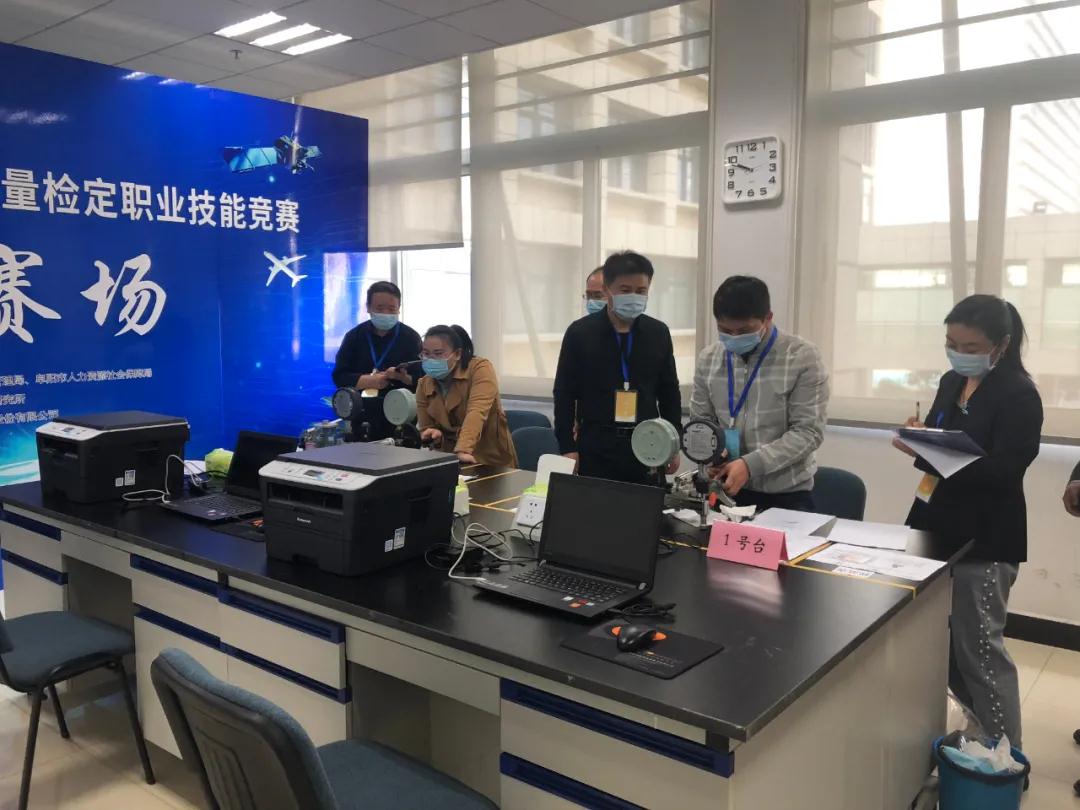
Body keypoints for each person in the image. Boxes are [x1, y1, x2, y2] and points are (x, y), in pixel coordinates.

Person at [896, 294, 1042, 752]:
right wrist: (921, 438)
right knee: (940, 646)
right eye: (951, 343)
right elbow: (940, 437)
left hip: (987, 536)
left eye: (971, 347)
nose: (959, 354)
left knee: (980, 651)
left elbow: (1004, 472)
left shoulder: (1018, 395)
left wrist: (939, 452)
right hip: (935, 524)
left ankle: (1005, 758)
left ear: (1001, 345)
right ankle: (979, 732)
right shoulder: (951, 381)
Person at [690, 276, 828, 511]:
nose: (734, 338)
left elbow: (808, 432)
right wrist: (713, 454)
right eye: (725, 330)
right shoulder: (709, 358)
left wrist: (750, 465)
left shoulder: (802, 357)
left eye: (744, 330)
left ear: (768, 318)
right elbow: (701, 421)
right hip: (725, 489)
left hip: (785, 496)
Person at [553, 251, 681, 485]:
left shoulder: (658, 333)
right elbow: (564, 393)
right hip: (596, 446)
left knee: (647, 506)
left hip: (649, 444)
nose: (634, 296)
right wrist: (567, 447)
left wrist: (674, 443)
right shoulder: (580, 333)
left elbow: (669, 392)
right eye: (625, 290)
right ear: (607, 290)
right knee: (597, 505)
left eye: (641, 291)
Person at [331, 281, 422, 441]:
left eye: (391, 309)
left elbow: (421, 380)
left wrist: (401, 377)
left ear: (399, 308)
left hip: (401, 415)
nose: (386, 313)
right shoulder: (354, 337)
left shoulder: (411, 338)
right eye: (380, 308)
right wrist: (370, 380)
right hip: (361, 415)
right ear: (368, 307)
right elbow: (340, 376)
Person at [415, 324, 517, 467]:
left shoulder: (480, 368)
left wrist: (463, 449)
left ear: (457, 354)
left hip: (489, 457)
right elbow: (426, 429)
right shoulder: (423, 384)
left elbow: (477, 412)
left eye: (438, 354)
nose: (431, 359)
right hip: (449, 459)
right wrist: (433, 436)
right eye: (426, 354)